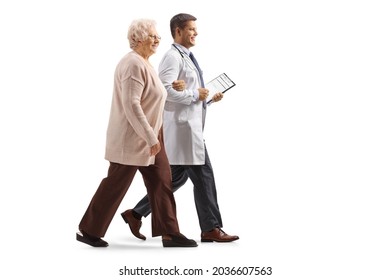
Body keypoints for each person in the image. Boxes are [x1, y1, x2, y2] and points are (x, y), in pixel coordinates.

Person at [76, 18, 197, 248]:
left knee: (163, 181)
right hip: (132, 138)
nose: (158, 39)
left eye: (157, 35)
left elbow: (154, 95)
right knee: (116, 184)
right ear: (138, 38)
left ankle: (170, 232)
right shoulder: (132, 64)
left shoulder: (144, 63)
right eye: (152, 35)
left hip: (152, 134)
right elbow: (132, 105)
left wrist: (175, 88)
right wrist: (150, 137)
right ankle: (88, 230)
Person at [121, 13, 239, 243]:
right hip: (183, 131)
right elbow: (164, 91)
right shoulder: (172, 57)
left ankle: (135, 213)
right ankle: (210, 228)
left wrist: (208, 98)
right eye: (191, 29)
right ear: (178, 31)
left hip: (187, 129)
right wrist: (195, 94)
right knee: (205, 177)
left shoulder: (187, 56)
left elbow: (188, 93)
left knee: (175, 179)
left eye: (196, 29)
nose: (195, 33)